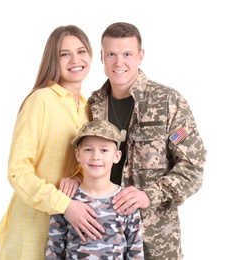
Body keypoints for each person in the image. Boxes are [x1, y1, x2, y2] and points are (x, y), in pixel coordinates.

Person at [88, 22, 207, 260]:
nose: (118, 63)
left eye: (127, 54)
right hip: (102, 234)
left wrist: (149, 195)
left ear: (140, 56)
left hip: (155, 239)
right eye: (111, 54)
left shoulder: (168, 102)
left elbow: (192, 168)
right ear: (102, 57)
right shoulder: (92, 105)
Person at [0, 25, 105, 260]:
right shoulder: (40, 101)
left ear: (91, 55)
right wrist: (65, 204)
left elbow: (85, 162)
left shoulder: (88, 109)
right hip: (31, 228)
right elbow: (17, 171)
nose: (75, 59)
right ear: (53, 59)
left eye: (81, 51)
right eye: (64, 54)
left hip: (67, 232)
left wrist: (77, 177)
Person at [45, 119, 144, 260]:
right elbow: (54, 251)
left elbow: (136, 253)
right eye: (88, 150)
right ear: (77, 155)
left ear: (117, 156)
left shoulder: (126, 200)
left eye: (104, 150)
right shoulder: (66, 198)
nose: (96, 157)